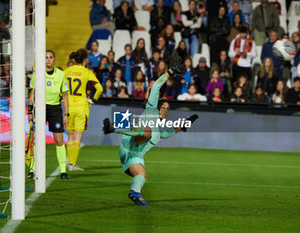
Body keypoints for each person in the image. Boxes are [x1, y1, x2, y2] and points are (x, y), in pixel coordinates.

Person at [102, 56, 199, 206]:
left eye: (168, 108)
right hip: (127, 147)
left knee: (142, 176)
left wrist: (184, 124)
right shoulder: (151, 111)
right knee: (146, 131)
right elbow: (156, 87)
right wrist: (170, 72)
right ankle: (114, 128)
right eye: (163, 107)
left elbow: (169, 133)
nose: (166, 110)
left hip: (135, 156)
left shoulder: (159, 131)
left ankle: (135, 192)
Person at [28, 50, 69, 179]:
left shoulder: (61, 74)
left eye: (51, 57)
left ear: (54, 59)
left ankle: (63, 171)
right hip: (39, 109)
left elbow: (65, 95)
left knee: (59, 140)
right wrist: (30, 111)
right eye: (45, 57)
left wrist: (67, 114)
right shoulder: (37, 74)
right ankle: (32, 169)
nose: (48, 60)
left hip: (55, 109)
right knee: (36, 139)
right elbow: (32, 94)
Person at [64, 49, 103, 171]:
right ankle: (72, 164)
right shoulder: (87, 72)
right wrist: (93, 100)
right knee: (78, 136)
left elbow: (60, 87)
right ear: (85, 60)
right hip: (81, 106)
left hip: (68, 106)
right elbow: (99, 89)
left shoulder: (66, 71)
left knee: (70, 136)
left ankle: (69, 163)